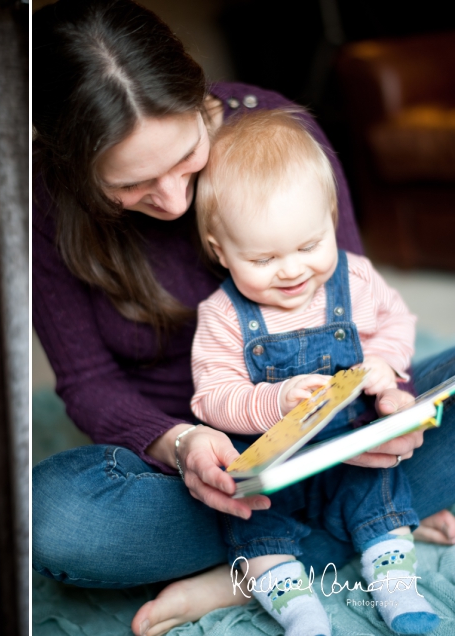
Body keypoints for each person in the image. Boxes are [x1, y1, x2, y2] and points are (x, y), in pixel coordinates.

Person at [31, 2, 455, 636]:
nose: (174, 201)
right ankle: (368, 523)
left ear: (199, 99)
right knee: (59, 521)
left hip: (333, 436)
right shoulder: (43, 201)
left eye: (186, 159)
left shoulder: (282, 136)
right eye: (130, 186)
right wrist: (182, 445)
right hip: (201, 471)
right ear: (70, 164)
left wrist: (383, 409)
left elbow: (351, 303)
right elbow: (90, 383)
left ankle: (258, 567)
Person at [191, 108, 437, 636]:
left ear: (330, 216)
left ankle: (399, 590)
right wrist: (274, 400)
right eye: (263, 258)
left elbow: (397, 323)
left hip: (354, 449)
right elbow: (212, 398)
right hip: (274, 469)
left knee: (382, 502)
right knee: (257, 529)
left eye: (309, 245)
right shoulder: (221, 315)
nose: (293, 269)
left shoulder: (356, 278)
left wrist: (384, 369)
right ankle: (302, 614)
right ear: (221, 251)